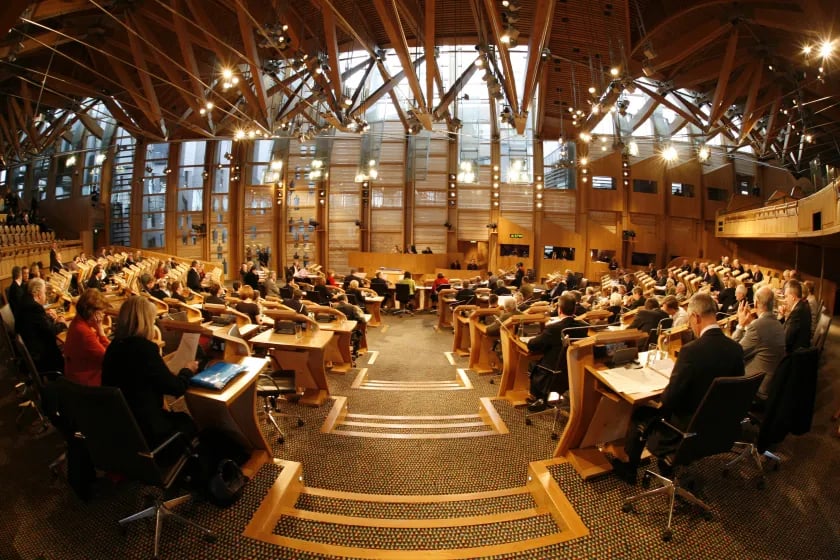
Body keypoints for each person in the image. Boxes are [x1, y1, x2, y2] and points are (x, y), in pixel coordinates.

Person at [610, 292, 745, 484]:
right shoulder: (736, 349)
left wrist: (654, 400)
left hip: (684, 431)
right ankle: (667, 464)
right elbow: (734, 392)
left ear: (695, 317)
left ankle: (630, 470)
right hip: (716, 430)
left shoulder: (691, 351)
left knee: (641, 413)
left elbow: (670, 400)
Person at [101, 296, 197, 447]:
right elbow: (176, 388)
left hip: (122, 427)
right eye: (152, 321)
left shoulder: (113, 347)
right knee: (189, 422)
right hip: (149, 432)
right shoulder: (145, 349)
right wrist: (188, 370)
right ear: (145, 322)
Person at [526, 294, 587, 413]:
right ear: (574, 309)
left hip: (553, 374)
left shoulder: (553, 328)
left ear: (559, 309)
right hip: (572, 372)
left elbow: (532, 345)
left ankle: (539, 398)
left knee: (533, 363)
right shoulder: (583, 327)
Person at [732, 286, 785, 401]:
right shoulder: (779, 325)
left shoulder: (757, 327)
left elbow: (734, 352)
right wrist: (749, 323)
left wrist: (740, 325)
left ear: (755, 303)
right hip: (773, 386)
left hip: (756, 390)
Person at [15, 278, 67, 372]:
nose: (45, 296)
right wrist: (61, 323)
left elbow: (39, 324)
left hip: (32, 347)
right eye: (44, 293)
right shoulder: (35, 308)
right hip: (41, 356)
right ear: (38, 294)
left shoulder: (26, 301)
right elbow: (50, 332)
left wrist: (47, 317)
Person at [63, 289, 111, 387]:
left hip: (74, 374)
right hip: (86, 383)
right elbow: (109, 358)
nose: (102, 315)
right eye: (101, 312)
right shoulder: (84, 333)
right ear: (92, 313)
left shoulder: (78, 321)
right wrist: (101, 330)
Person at [779, 279, 811, 354]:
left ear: (793, 297)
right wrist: (784, 316)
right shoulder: (803, 305)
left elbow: (785, 341)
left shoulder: (797, 313)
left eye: (786, 296)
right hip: (800, 349)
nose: (785, 300)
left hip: (794, 355)